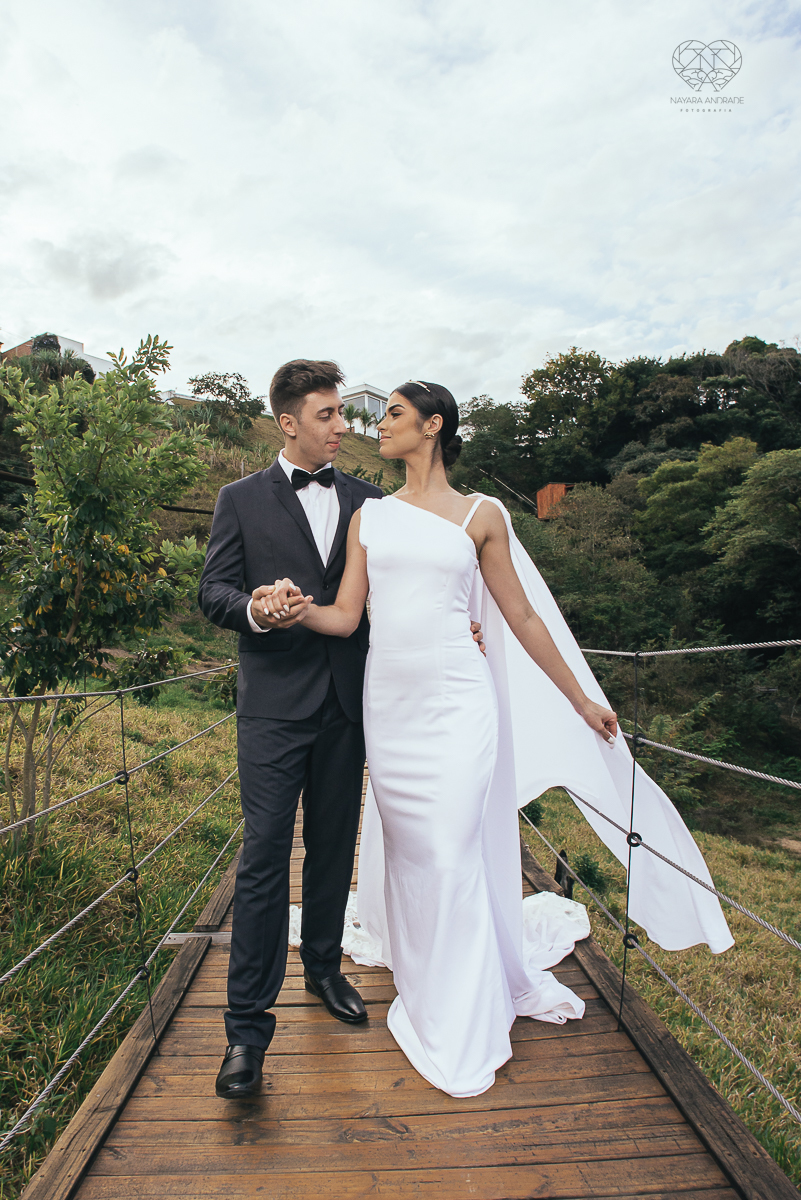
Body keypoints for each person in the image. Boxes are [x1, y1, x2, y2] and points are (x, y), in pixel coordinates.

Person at [259, 379, 734, 1098]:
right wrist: (290, 610)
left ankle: (457, 1011)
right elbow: (347, 617)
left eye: (391, 414)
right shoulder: (369, 517)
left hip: (457, 703)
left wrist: (582, 698)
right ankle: (426, 976)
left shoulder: (483, 515)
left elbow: (522, 618)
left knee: (450, 851)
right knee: (418, 857)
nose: (375, 425)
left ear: (432, 425)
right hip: (388, 710)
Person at [198, 362, 484, 1099]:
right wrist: (258, 608)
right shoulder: (238, 499)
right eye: (328, 414)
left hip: (354, 705)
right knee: (264, 857)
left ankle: (323, 969)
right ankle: (246, 1031)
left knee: (333, 848)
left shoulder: (372, 501)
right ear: (289, 421)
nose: (344, 427)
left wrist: (465, 628)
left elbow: (412, 583)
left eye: (345, 414)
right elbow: (213, 591)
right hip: (270, 704)